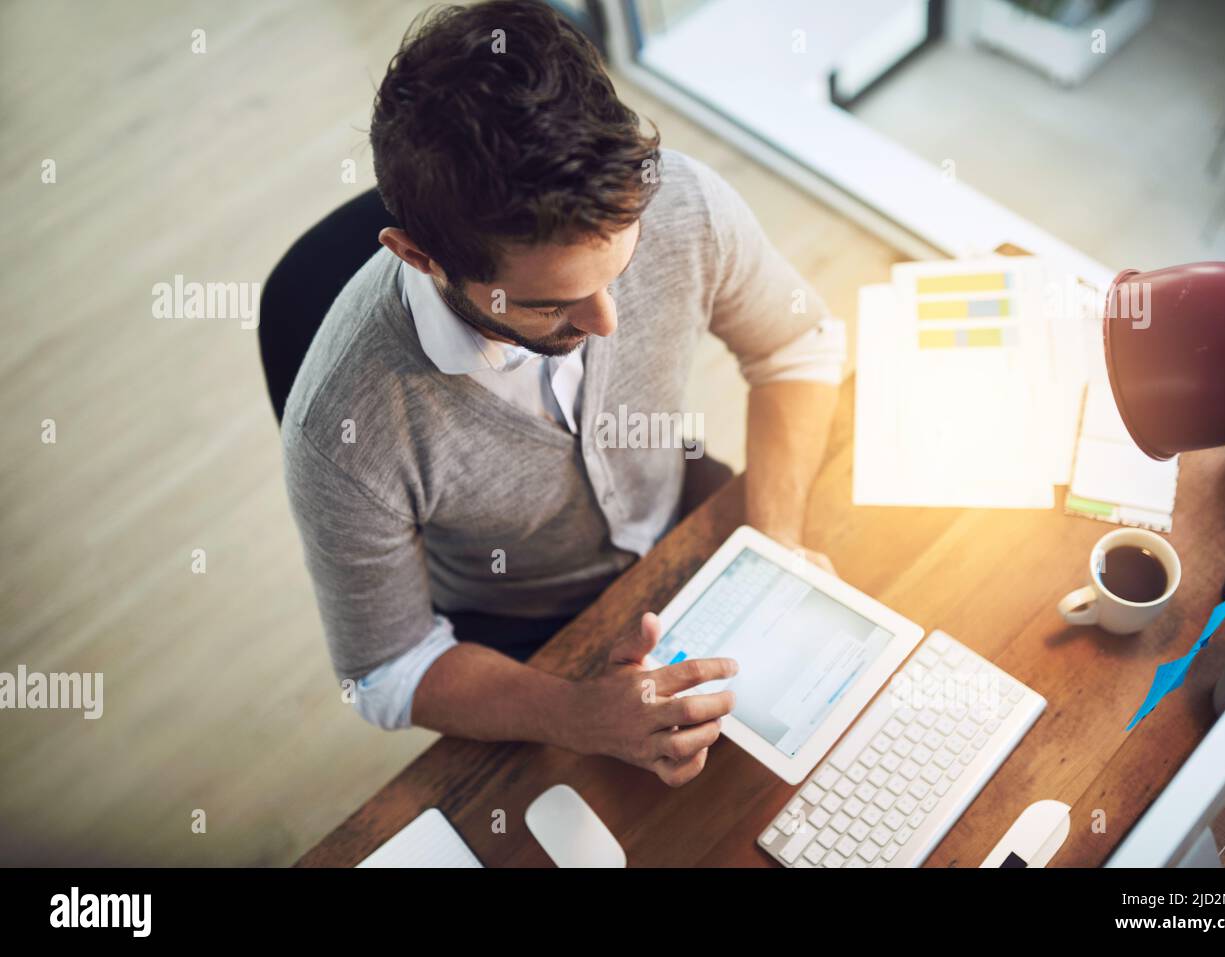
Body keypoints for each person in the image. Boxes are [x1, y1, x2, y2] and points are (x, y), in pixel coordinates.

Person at [282, 0, 846, 787]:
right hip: (521, 634)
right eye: (551, 304)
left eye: (619, 268)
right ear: (419, 257)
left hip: (695, 519)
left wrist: (778, 544)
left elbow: (797, 342)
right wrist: (574, 713)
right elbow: (384, 669)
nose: (608, 321)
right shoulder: (340, 426)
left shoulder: (681, 201)